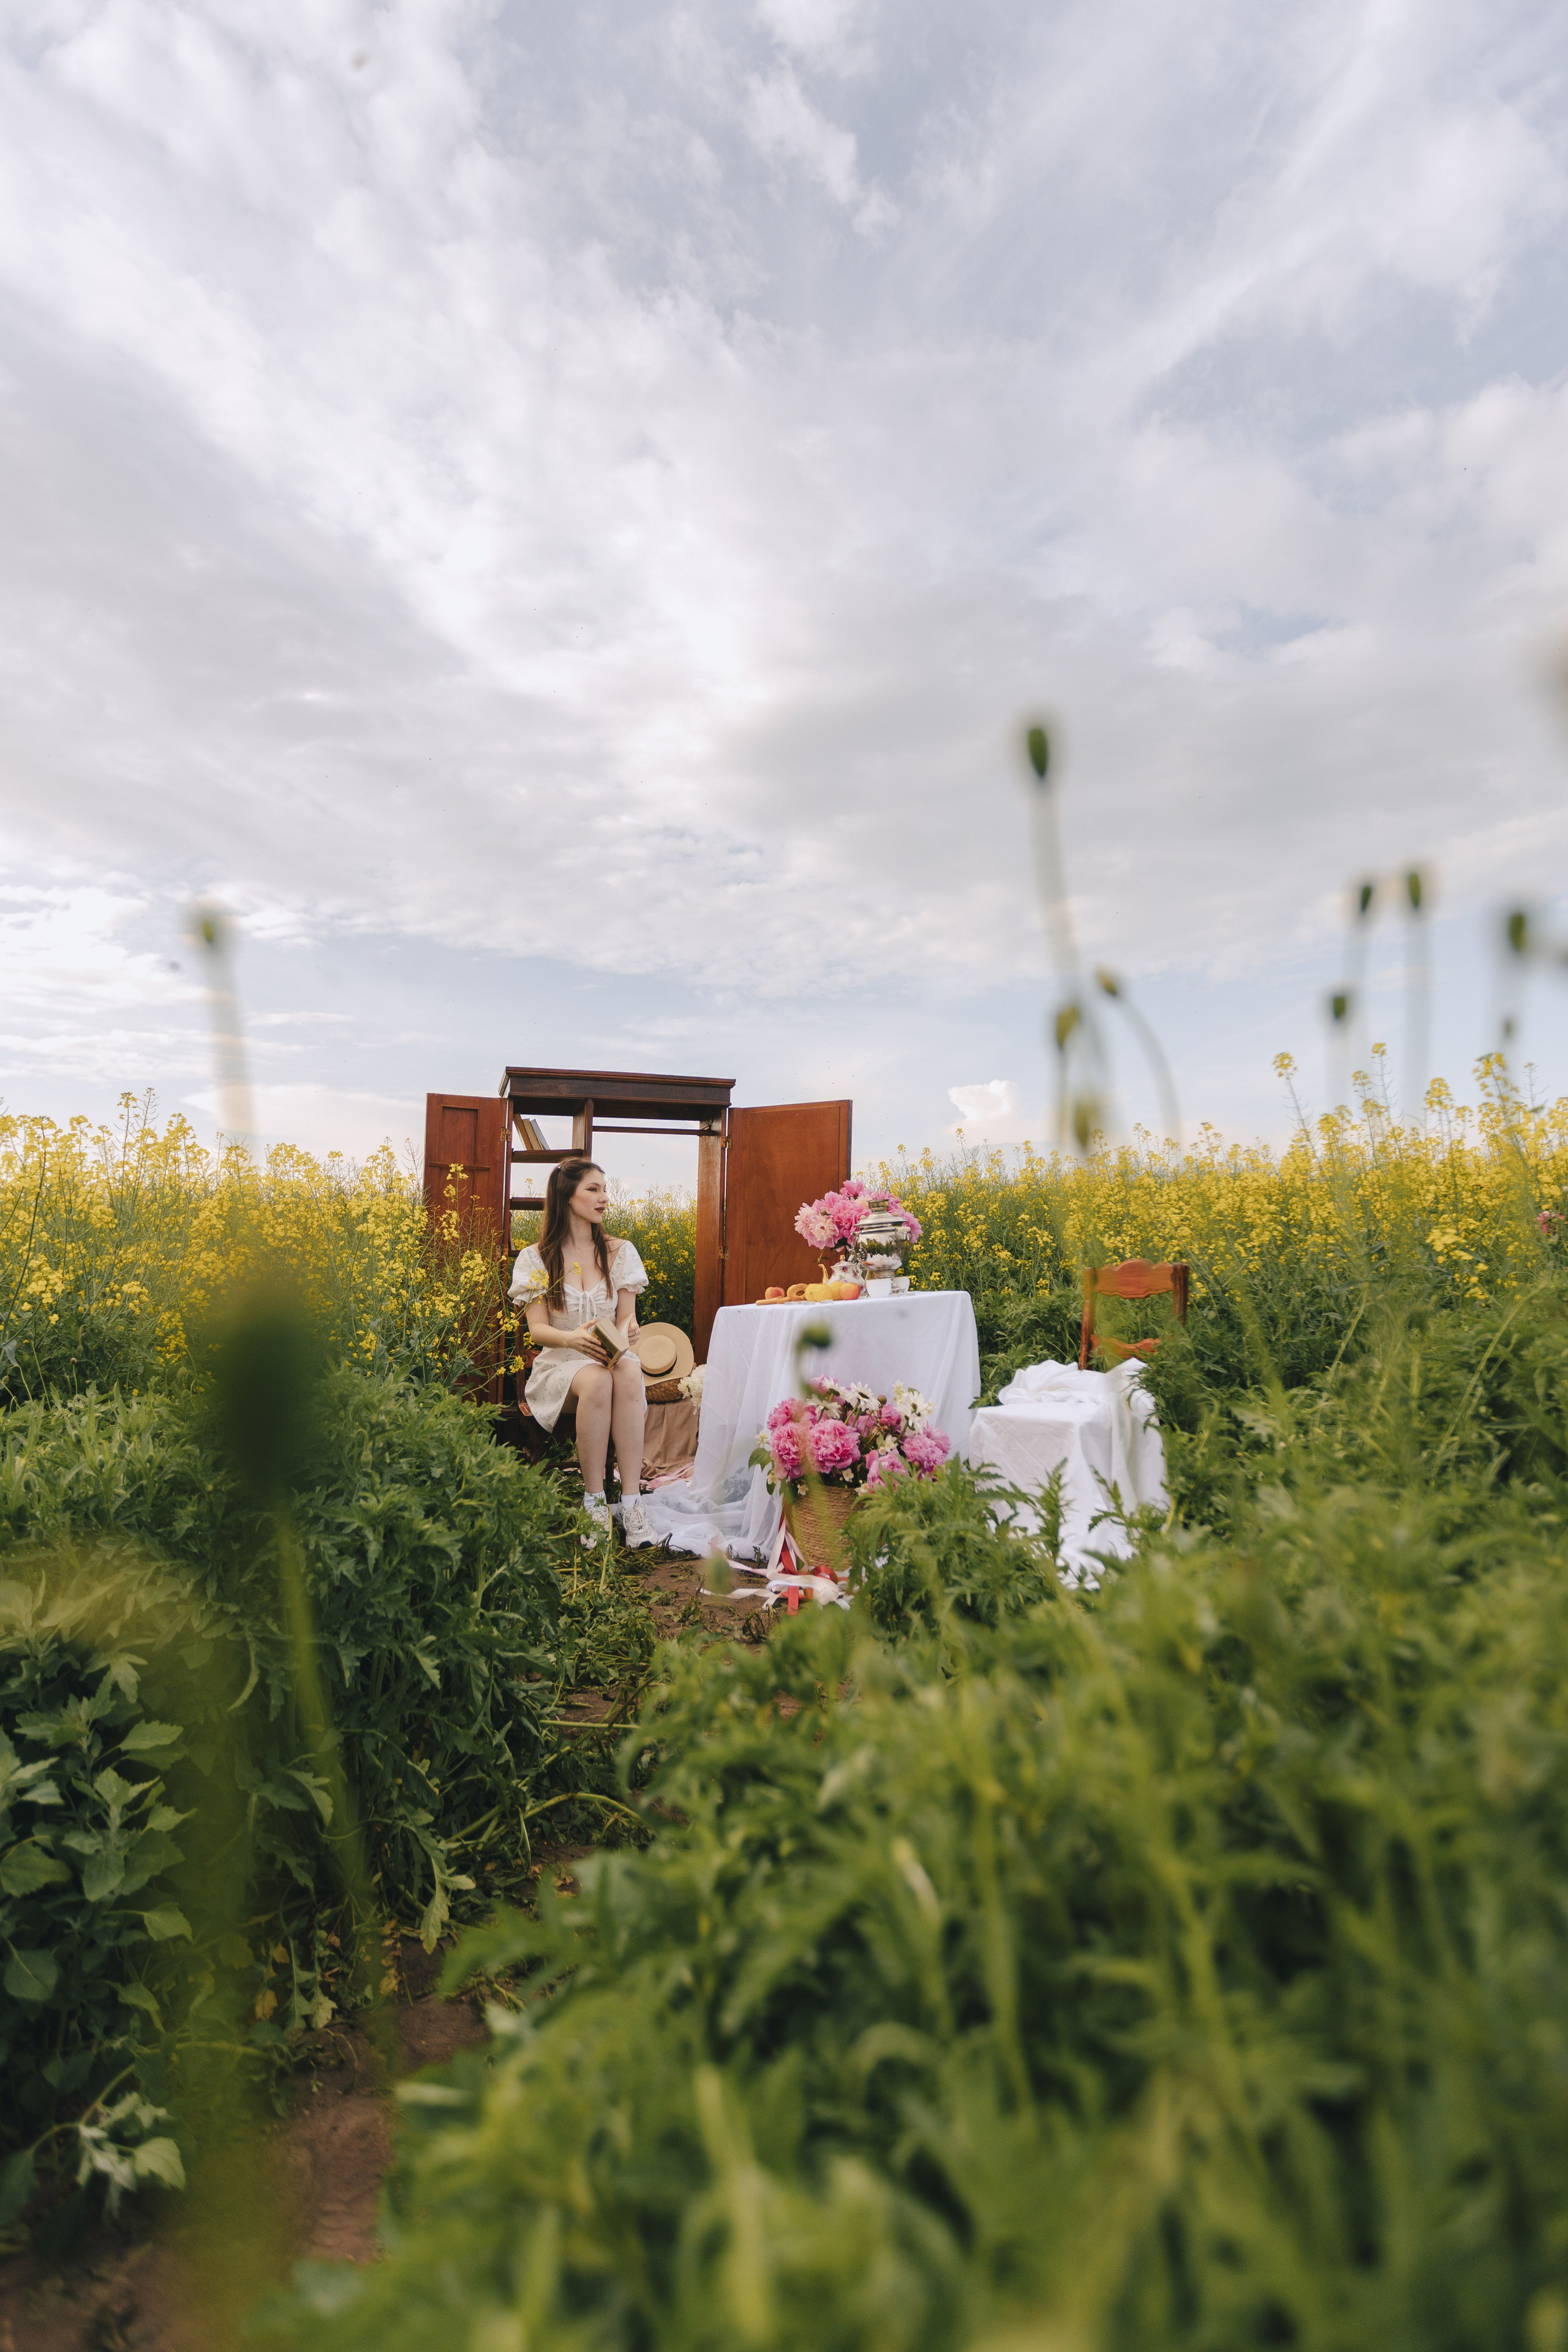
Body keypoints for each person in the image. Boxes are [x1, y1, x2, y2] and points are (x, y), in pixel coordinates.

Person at [509, 1158, 654, 1547]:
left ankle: (630, 1502)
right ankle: (593, 1502)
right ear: (565, 1195)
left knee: (623, 1371)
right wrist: (572, 1338)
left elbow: (626, 1318)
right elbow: (537, 1330)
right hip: (561, 1365)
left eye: (605, 1189)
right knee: (595, 1379)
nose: (604, 1197)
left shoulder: (621, 1252)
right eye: (593, 1189)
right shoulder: (535, 1258)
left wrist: (629, 1330)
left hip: (611, 1359)